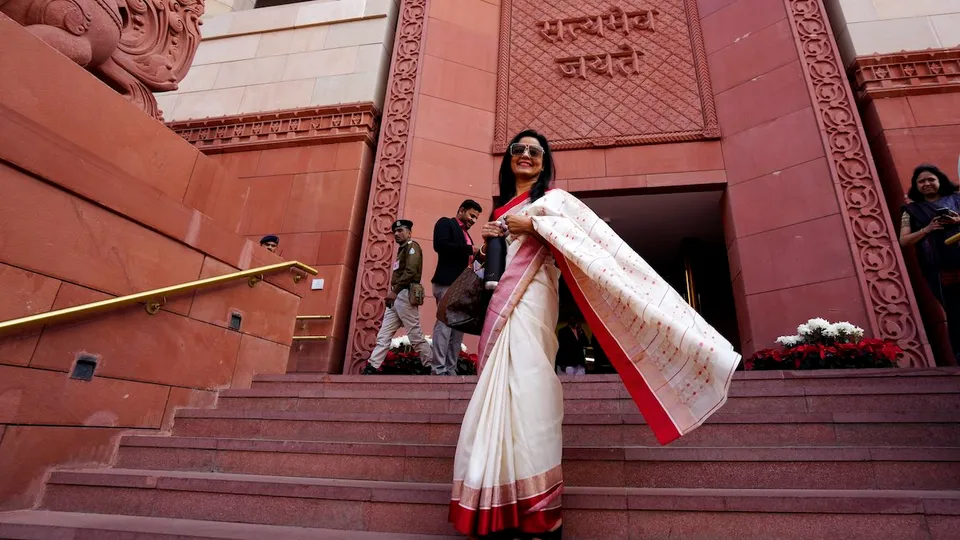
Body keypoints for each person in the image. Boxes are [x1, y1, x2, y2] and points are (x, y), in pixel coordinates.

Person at [448, 129, 740, 539]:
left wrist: (531, 224)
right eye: (519, 150)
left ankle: (539, 513)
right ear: (508, 159)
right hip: (501, 308)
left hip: (533, 302)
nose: (526, 155)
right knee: (499, 391)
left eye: (535, 151)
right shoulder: (503, 209)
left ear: (545, 161)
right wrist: (489, 245)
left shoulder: (555, 201)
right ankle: (498, 504)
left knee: (531, 392)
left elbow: (583, 241)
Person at [899, 164, 960, 359]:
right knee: (955, 311)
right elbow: (904, 240)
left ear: (940, 180)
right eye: (921, 181)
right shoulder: (911, 211)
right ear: (916, 186)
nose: (926, 184)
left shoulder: (957, 199)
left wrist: (957, 221)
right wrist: (927, 229)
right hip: (939, 269)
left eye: (930, 179)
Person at [363, 219, 432, 374]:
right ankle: (372, 368)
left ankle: (430, 366)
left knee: (415, 335)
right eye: (395, 231)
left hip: (405, 294)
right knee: (384, 334)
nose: (397, 234)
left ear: (409, 233)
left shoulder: (411, 247)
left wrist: (394, 292)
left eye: (401, 231)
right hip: (396, 297)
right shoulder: (402, 250)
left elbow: (411, 271)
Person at [428, 199, 483, 376]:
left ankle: (450, 369)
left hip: (462, 288)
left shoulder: (466, 234)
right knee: (444, 328)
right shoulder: (446, 223)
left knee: (458, 330)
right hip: (447, 283)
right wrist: (470, 250)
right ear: (461, 210)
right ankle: (438, 369)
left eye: (476, 218)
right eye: (471, 215)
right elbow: (440, 245)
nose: (474, 220)